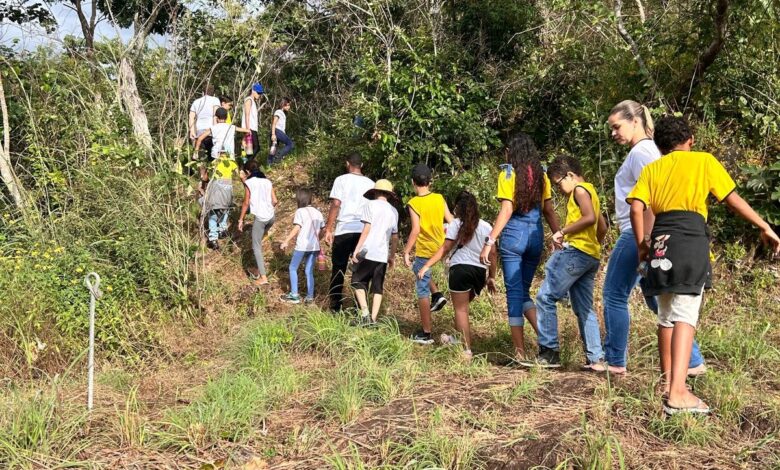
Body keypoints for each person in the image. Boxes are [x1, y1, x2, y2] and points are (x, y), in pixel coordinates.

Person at [627, 115, 780, 415]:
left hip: (660, 243)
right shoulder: (704, 161)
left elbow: (636, 207)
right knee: (685, 313)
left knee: (667, 314)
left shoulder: (652, 169)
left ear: (659, 147)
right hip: (689, 239)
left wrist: (642, 245)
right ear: (690, 141)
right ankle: (679, 394)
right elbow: (731, 198)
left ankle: (667, 381)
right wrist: (764, 226)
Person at [595, 100, 706, 375]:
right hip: (645, 233)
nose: (614, 133)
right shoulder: (644, 151)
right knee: (656, 296)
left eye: (617, 126)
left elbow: (653, 199)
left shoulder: (643, 152)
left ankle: (615, 360)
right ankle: (692, 362)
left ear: (635, 121)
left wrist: (646, 239)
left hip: (637, 234)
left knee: (614, 294)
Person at [479, 133, 561, 361]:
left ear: (512, 152)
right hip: (535, 237)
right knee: (524, 292)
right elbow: (549, 210)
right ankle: (549, 343)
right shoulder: (542, 175)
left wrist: (490, 241)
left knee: (514, 295)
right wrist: (558, 235)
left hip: (514, 237)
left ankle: (520, 353)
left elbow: (506, 210)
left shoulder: (508, 173)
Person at [526, 155, 608, 368]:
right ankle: (596, 358)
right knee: (584, 308)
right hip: (590, 256)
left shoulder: (579, 190)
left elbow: (589, 217)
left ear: (570, 175)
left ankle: (549, 352)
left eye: (558, 183)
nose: (559, 189)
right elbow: (602, 227)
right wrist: (593, 247)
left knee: (545, 297)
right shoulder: (592, 191)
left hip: (576, 253)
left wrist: (561, 232)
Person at [418, 191, 497, 359]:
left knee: (461, 310)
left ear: (458, 207)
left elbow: (445, 248)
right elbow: (493, 254)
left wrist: (426, 266)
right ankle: (457, 338)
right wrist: (491, 276)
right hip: (479, 273)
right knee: (462, 308)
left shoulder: (456, 224)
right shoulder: (486, 227)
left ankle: (466, 350)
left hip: (460, 270)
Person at [403, 163, 454, 345]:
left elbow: (416, 230)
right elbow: (451, 220)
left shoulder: (414, 203)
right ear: (430, 182)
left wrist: (407, 251)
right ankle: (438, 295)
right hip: (440, 247)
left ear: (412, 182)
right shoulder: (439, 198)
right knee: (419, 269)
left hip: (425, 250)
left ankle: (426, 333)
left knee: (421, 288)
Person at [324, 153, 375, 312]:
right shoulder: (371, 183)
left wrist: (329, 228)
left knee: (338, 267)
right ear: (362, 165)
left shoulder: (341, 180)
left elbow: (336, 203)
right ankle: (360, 307)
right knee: (360, 269)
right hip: (363, 231)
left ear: (348, 164)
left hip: (344, 229)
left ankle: (335, 305)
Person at [350, 179, 399, 326]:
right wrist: (392, 256)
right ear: (389, 195)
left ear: (375, 192)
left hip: (367, 251)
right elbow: (395, 237)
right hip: (382, 255)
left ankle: (364, 314)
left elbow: (366, 229)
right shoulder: (393, 211)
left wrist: (356, 250)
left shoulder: (369, 205)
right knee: (377, 286)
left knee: (357, 281)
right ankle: (373, 319)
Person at [279, 189, 325, 304]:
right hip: (314, 247)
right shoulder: (318, 212)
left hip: (302, 246)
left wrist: (286, 241)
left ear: (300, 199)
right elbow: (323, 230)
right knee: (309, 271)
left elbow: (297, 227)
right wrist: (317, 239)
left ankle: (294, 295)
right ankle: (310, 298)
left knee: (292, 268)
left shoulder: (300, 211)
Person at [238, 160, 277, 286]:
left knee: (256, 247)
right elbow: (275, 201)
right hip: (271, 217)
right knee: (258, 243)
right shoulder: (267, 181)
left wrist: (240, 219)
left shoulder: (249, 183)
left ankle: (263, 278)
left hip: (261, 219)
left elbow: (245, 203)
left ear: (248, 172)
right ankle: (258, 269)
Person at [189, 84, 220, 158]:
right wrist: (216, 130)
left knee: (201, 157)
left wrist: (192, 131)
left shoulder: (196, 102)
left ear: (203, 93)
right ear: (213, 93)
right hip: (211, 130)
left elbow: (191, 117)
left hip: (199, 131)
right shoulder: (215, 100)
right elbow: (215, 115)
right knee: (212, 156)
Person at [269, 97, 294, 165]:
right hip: (277, 131)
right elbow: (274, 123)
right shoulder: (278, 112)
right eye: (288, 105)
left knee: (273, 148)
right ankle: (278, 156)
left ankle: (269, 164)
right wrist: (273, 134)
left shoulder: (283, 113)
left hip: (278, 131)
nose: (289, 107)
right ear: (283, 104)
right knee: (290, 144)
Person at [242, 83, 265, 159]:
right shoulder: (249, 100)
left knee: (249, 149)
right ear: (253, 91)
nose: (259, 95)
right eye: (258, 93)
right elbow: (247, 115)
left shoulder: (253, 101)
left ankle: (245, 167)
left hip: (252, 128)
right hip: (250, 128)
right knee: (256, 147)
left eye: (260, 93)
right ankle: (246, 166)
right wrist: (248, 129)